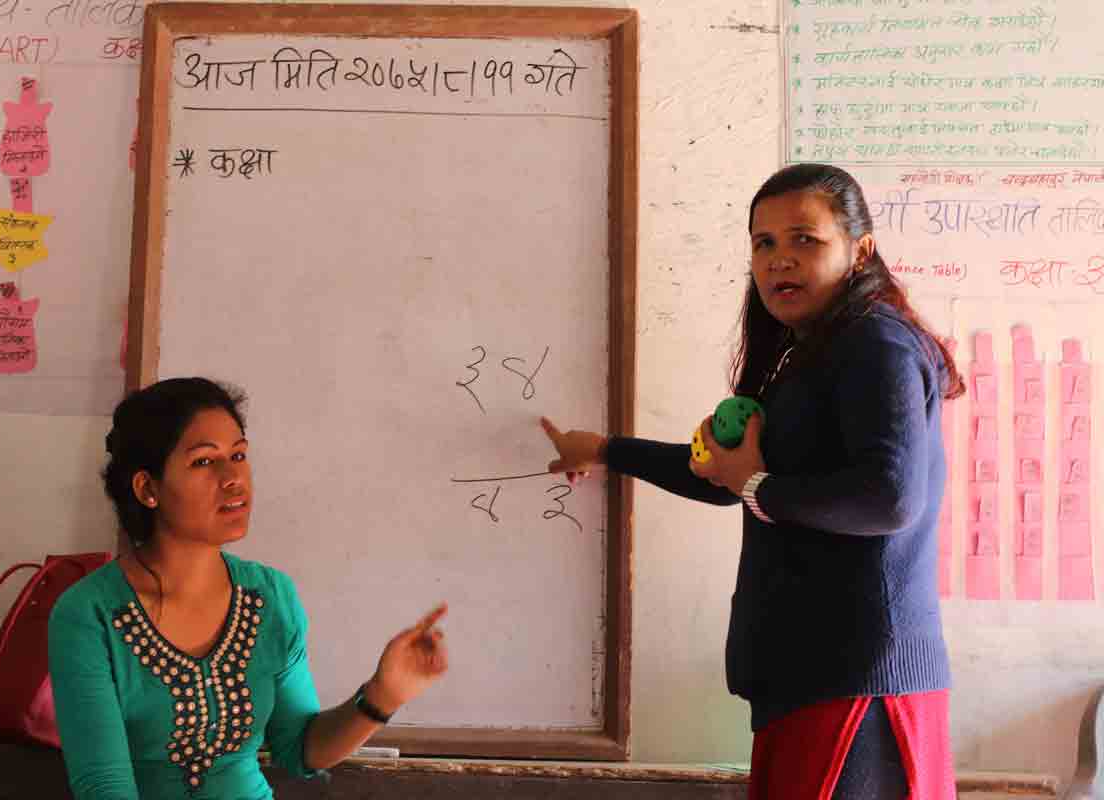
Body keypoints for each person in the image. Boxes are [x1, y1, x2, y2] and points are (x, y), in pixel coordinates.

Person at [541, 163, 965, 800]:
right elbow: (724, 478)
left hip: (858, 682)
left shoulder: (875, 342)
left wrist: (756, 484)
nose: (779, 260)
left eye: (805, 240)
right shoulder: (808, 351)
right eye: (763, 243)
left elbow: (889, 498)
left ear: (861, 250)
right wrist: (608, 449)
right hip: (812, 681)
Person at [49, 377, 448, 799]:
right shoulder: (88, 614)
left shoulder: (270, 596)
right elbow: (105, 788)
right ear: (148, 488)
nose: (233, 477)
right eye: (204, 462)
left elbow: (299, 749)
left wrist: (383, 696)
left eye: (238, 455)